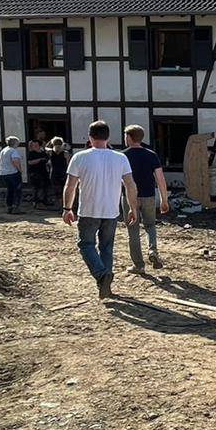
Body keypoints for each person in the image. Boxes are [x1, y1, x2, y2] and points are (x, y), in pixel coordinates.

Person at [62, 120, 138, 298]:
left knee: (85, 244)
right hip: (111, 211)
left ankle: (101, 275)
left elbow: (70, 186)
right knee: (106, 247)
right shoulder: (120, 158)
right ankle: (105, 285)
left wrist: (67, 208)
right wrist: (133, 207)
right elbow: (130, 185)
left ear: (90, 137)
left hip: (88, 210)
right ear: (108, 137)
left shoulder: (80, 157)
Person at [122, 124, 171, 273]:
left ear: (129, 137)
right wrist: (164, 199)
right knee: (150, 225)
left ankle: (138, 265)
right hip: (149, 195)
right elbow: (160, 179)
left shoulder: (122, 156)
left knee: (133, 230)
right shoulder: (151, 155)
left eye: (125, 135)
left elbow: (117, 179)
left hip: (130, 198)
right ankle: (152, 251)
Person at [0, 136, 25, 214]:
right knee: (17, 190)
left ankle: (9, 207)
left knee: (10, 190)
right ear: (15, 143)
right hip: (13, 173)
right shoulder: (13, 151)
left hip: (4, 173)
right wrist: (20, 170)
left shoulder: (4, 150)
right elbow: (15, 161)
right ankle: (16, 207)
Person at [27, 139, 52, 207]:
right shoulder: (31, 153)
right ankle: (35, 202)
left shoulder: (43, 153)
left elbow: (48, 160)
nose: (35, 147)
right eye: (34, 145)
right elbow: (30, 162)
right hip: (35, 173)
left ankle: (44, 201)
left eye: (36, 145)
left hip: (43, 172)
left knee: (45, 187)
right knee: (36, 188)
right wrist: (40, 160)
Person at [47, 137, 70, 207]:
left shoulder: (50, 152)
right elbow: (68, 163)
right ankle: (65, 205)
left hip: (54, 172)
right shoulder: (65, 153)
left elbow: (44, 147)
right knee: (64, 190)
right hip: (63, 172)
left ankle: (60, 206)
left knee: (57, 192)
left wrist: (50, 142)